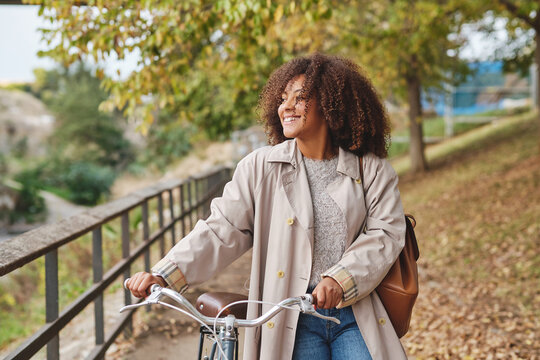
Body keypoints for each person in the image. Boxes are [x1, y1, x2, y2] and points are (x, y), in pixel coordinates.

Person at [126, 53, 407, 360]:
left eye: (300, 98)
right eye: (283, 98)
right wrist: (165, 275)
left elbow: (385, 235)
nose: (286, 106)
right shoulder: (261, 167)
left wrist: (339, 279)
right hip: (290, 318)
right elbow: (221, 229)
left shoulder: (373, 171)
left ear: (331, 105)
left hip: (355, 313)